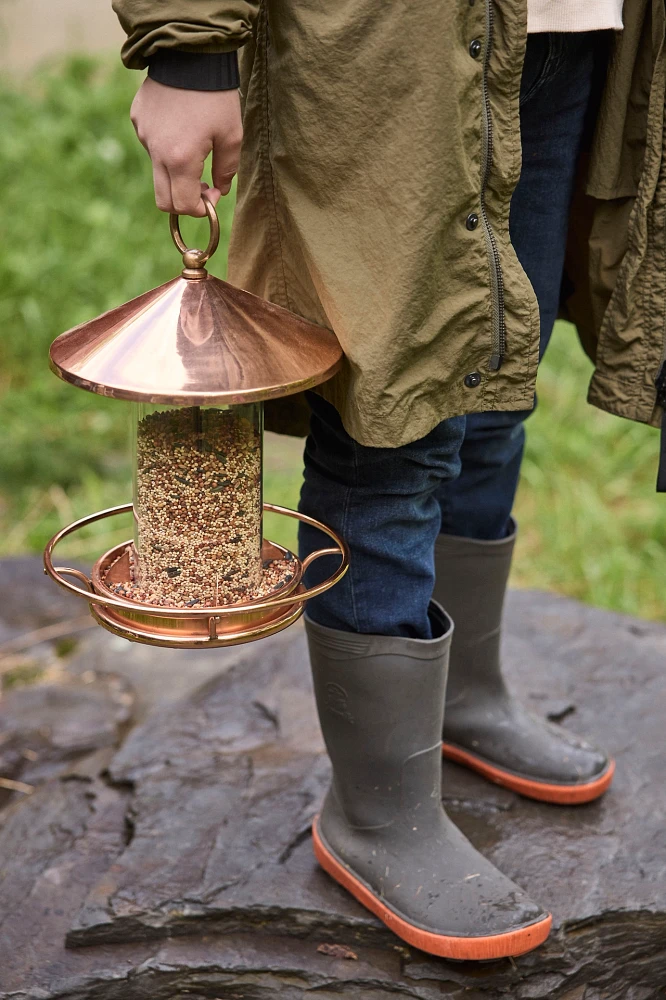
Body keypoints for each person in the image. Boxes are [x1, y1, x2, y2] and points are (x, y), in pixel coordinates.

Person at [114, 0, 666, 961]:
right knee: (393, 420)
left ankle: (464, 698)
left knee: (491, 388)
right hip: (380, 59)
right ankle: (378, 811)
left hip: (574, 33)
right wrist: (191, 45)